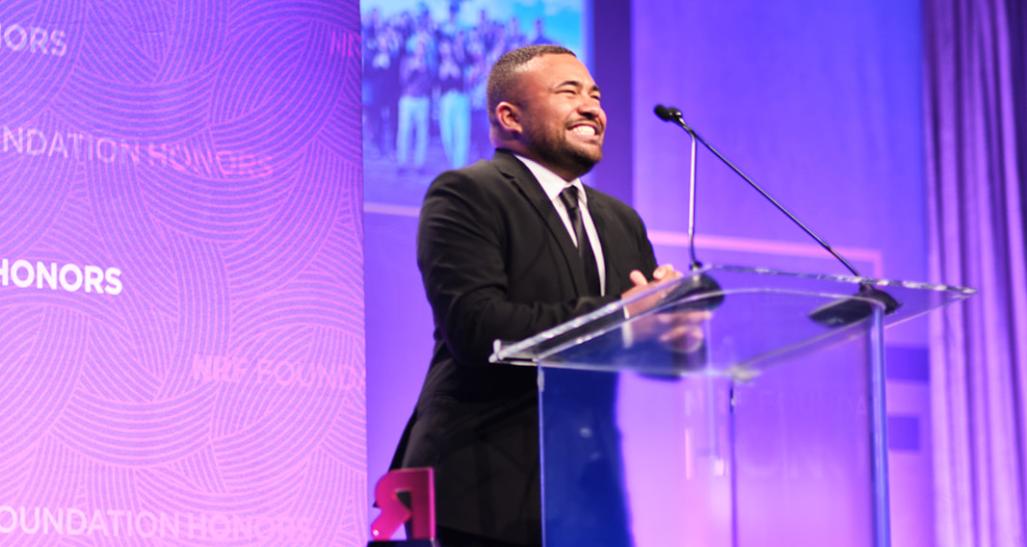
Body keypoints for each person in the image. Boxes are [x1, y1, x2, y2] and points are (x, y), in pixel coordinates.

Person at [392, 45, 686, 547]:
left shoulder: (621, 221)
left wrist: (676, 333)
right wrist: (624, 316)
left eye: (596, 94)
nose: (593, 107)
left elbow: (640, 351)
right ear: (510, 116)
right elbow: (479, 329)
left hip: (589, 500)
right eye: (569, 92)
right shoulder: (468, 194)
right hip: (481, 489)